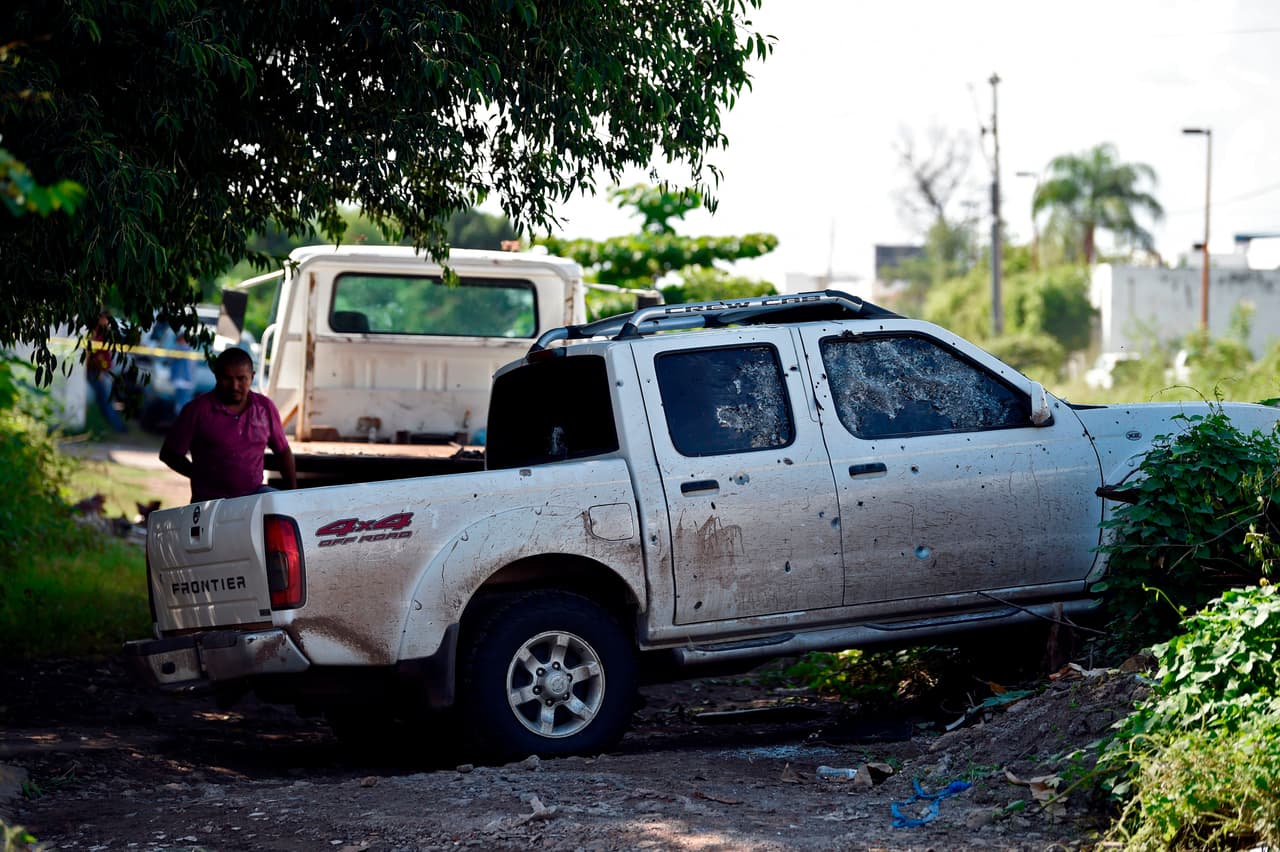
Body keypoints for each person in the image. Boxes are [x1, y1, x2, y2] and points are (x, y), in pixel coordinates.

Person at [160, 347, 297, 503]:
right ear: (217, 377)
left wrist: (292, 495)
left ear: (252, 377)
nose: (234, 385)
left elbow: (283, 451)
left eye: (241, 379)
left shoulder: (265, 408)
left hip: (253, 497)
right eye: (227, 378)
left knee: (283, 508)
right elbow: (169, 454)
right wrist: (198, 475)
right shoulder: (197, 410)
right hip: (210, 503)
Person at [87, 311, 128, 433]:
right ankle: (117, 426)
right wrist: (101, 371)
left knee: (105, 399)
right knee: (107, 400)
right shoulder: (96, 333)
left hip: (102, 372)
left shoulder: (103, 332)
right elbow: (94, 354)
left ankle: (115, 425)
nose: (107, 322)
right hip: (99, 372)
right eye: (105, 319)